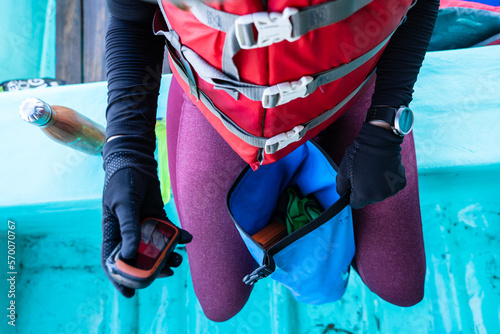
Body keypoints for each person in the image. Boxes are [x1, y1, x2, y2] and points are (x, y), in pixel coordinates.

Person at [101, 0, 439, 322]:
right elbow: (132, 18)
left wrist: (385, 125)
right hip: (221, 106)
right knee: (221, 303)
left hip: (353, 86)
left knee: (400, 287)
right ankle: (185, 92)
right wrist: (127, 151)